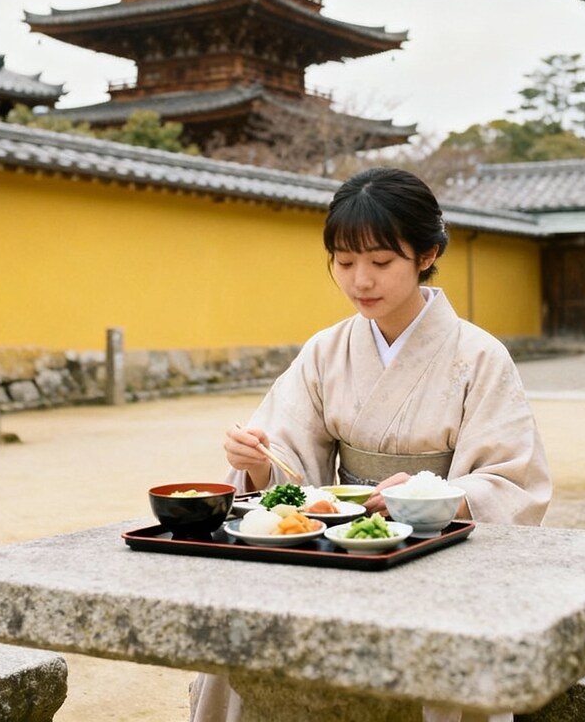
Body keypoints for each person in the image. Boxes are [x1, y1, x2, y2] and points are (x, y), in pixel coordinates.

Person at [189, 167, 552, 722]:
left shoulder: (479, 357)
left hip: (441, 559)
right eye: (344, 261)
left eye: (381, 262)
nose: (361, 280)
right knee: (241, 637)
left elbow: (511, 482)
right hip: (338, 555)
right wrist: (259, 465)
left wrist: (433, 496)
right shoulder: (325, 351)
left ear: (426, 254)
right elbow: (289, 463)